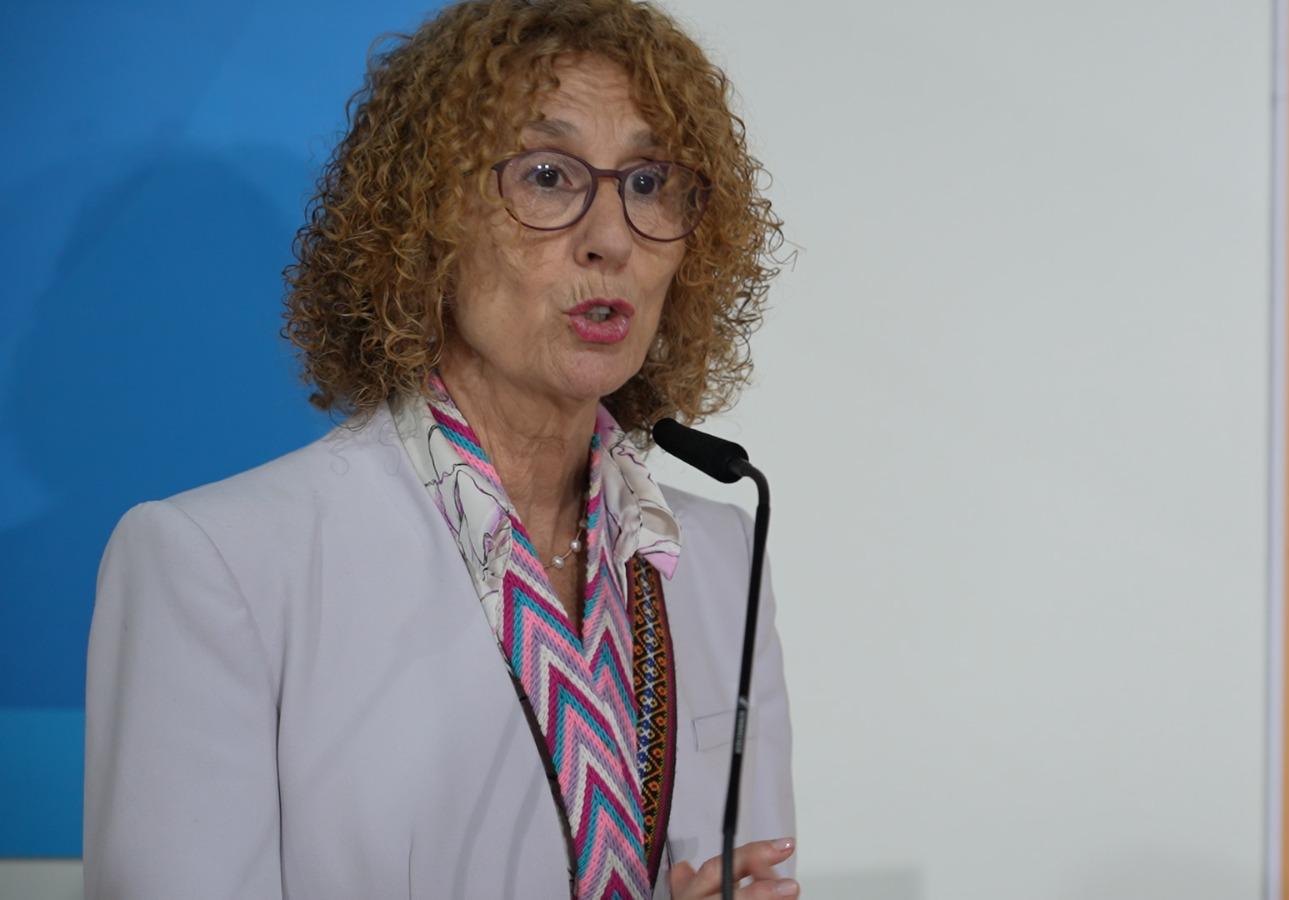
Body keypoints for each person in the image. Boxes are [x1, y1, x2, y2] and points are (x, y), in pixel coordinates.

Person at [82, 1, 797, 897]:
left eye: (649, 182)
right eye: (548, 175)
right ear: (424, 225)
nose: (613, 238)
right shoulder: (219, 565)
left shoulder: (722, 557)